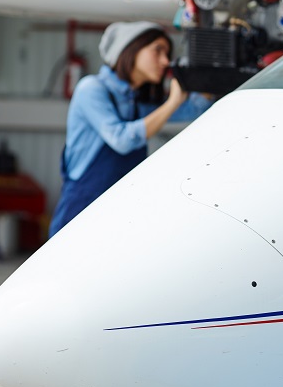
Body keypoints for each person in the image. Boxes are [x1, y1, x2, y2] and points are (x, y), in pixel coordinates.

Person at [49, 21, 213, 237]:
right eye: (158, 51)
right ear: (131, 49)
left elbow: (195, 109)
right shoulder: (91, 89)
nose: (165, 61)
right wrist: (172, 102)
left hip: (120, 212)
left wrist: (208, 74)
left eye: (167, 54)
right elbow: (121, 139)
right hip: (80, 210)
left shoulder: (140, 103)